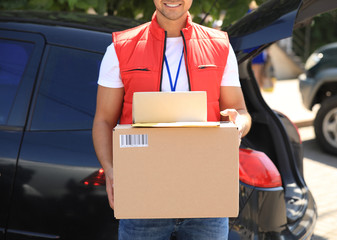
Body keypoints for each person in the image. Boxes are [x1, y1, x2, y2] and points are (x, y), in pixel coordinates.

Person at [92, 0, 252, 239]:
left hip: (206, 199)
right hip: (143, 198)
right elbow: (103, 120)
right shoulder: (120, 48)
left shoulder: (220, 46)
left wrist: (238, 125)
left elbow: (241, 111)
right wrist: (111, 170)